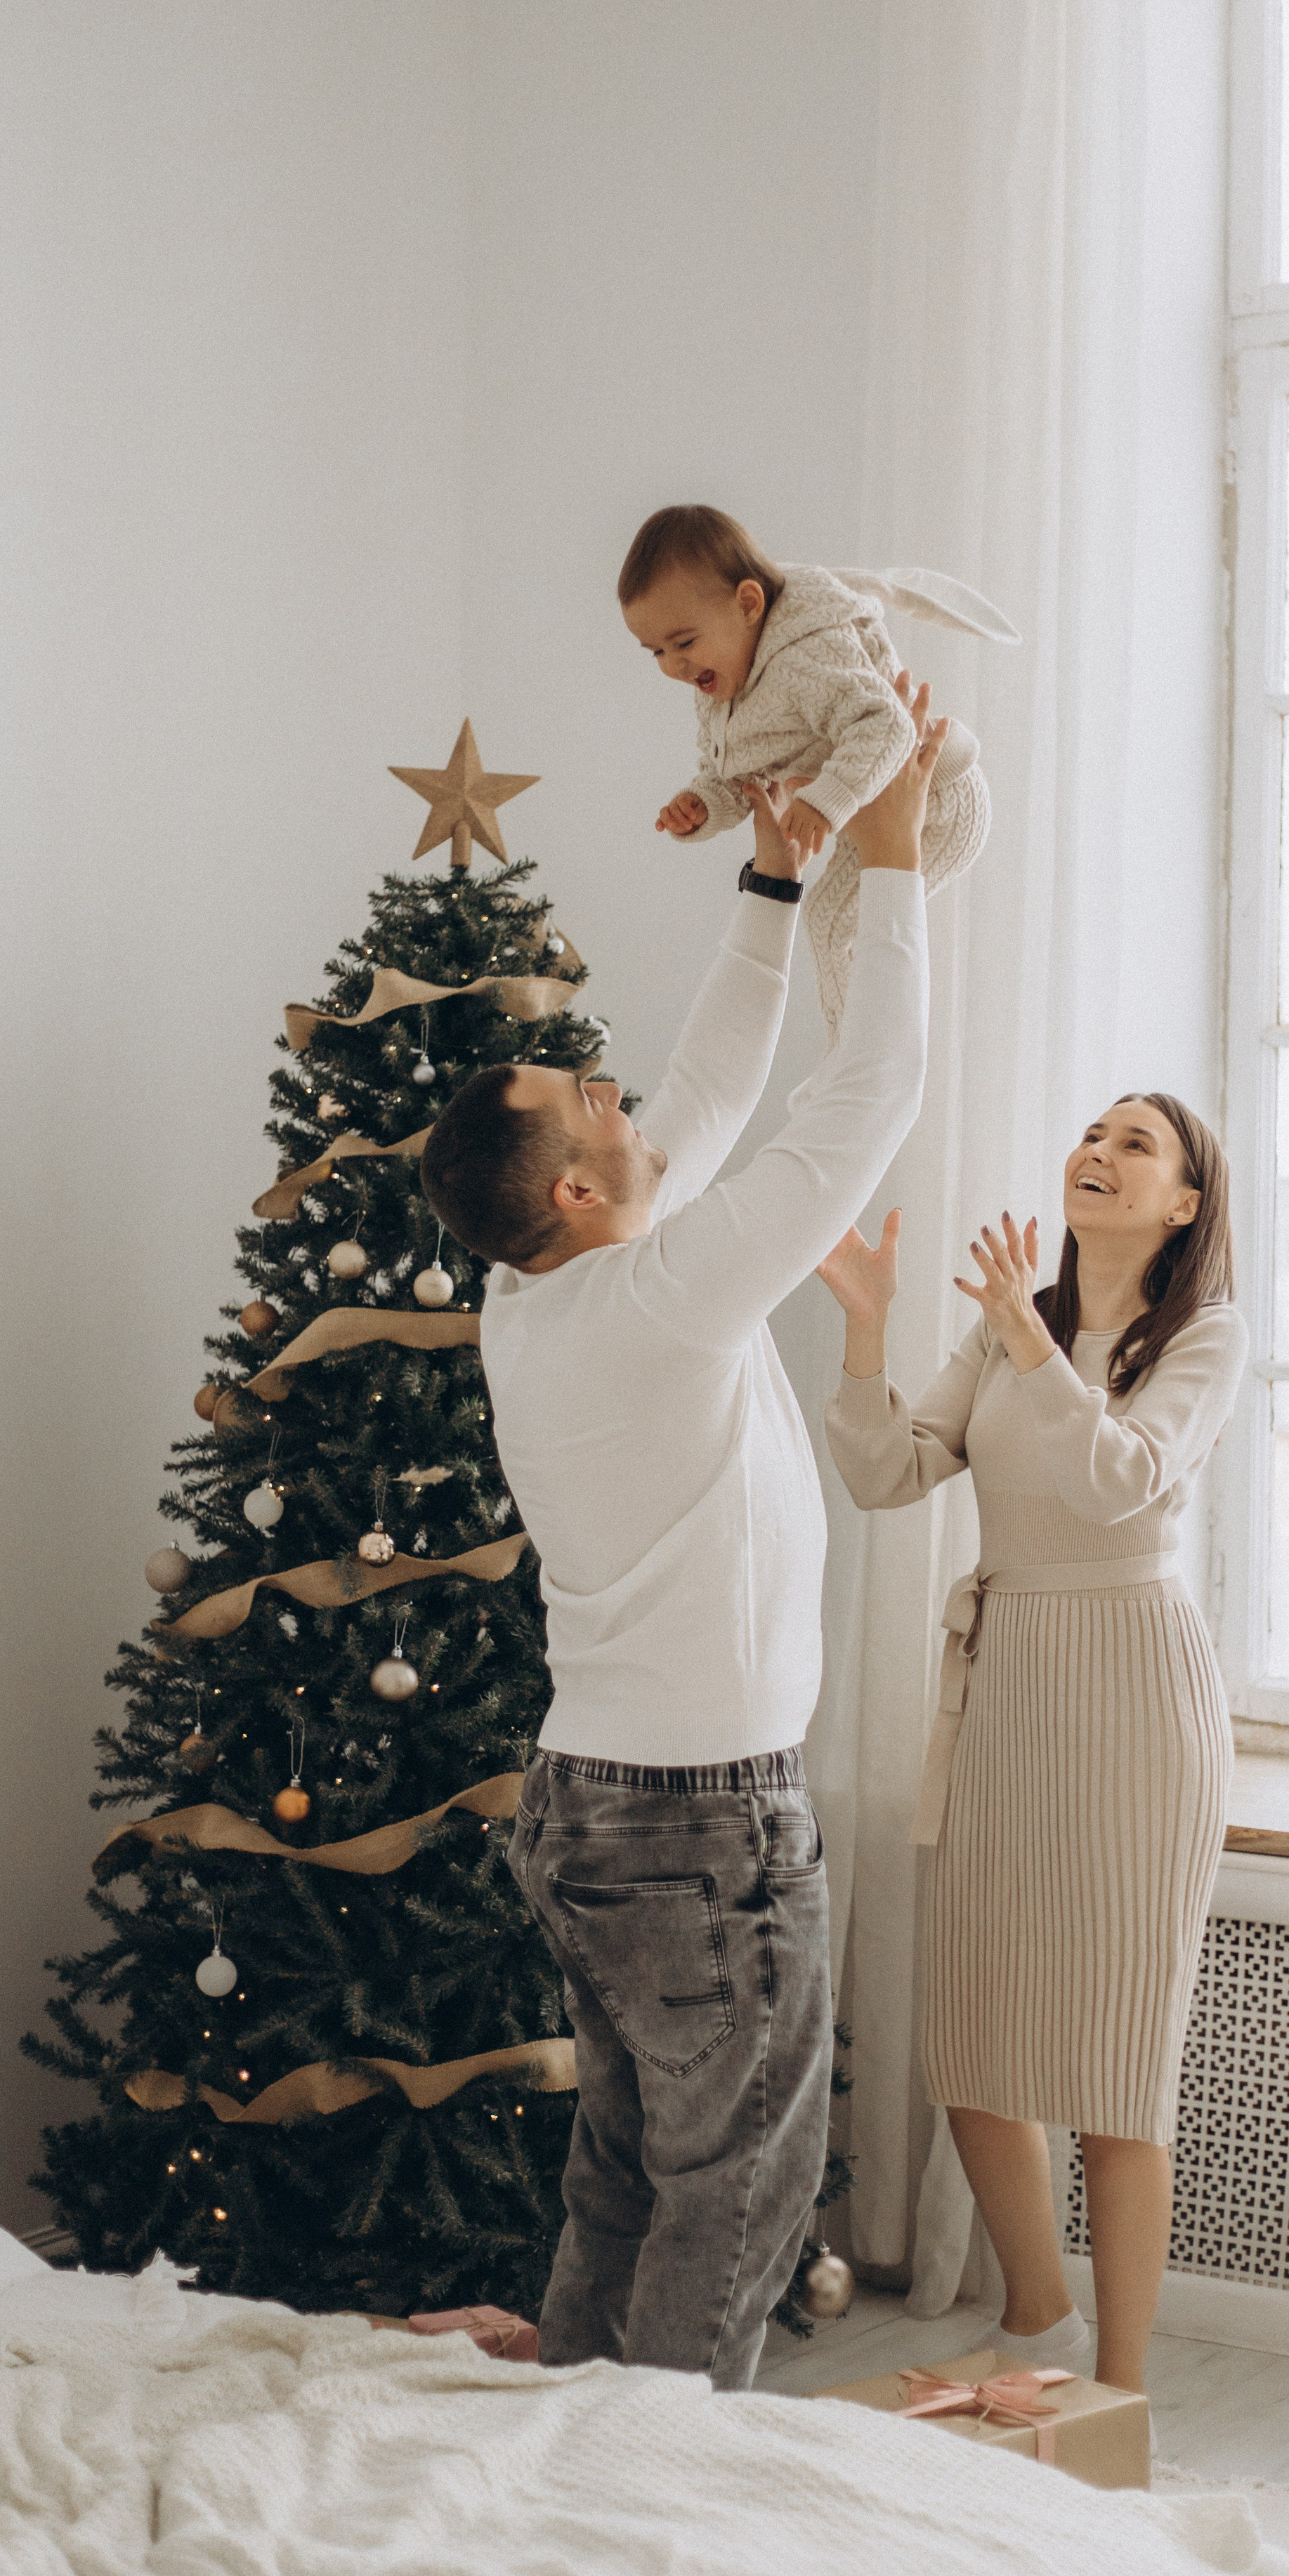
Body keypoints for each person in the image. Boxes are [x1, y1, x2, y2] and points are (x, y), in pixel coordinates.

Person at [419, 685, 945, 2390]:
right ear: (577, 1189)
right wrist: (893, 857)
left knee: (629, 2176)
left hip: (590, 1805)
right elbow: (869, 1092)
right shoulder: (657, 1298)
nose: (605, 1083)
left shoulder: (539, 1293)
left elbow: (712, 1088)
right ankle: (657, 2516)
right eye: (581, 1099)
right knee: (736, 2196)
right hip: (698, 1825)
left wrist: (774, 882)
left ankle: (574, 2478)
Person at [819, 1096, 1247, 2407]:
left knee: (1117, 2071)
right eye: (1092, 1133)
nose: (1098, 1154)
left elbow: (1120, 1479)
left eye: (1137, 1145)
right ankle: (1038, 2324)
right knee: (979, 2052)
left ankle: (1118, 2400)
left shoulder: (1206, 1337)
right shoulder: (1016, 1322)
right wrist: (867, 1330)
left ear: (1185, 1203)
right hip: (1007, 1695)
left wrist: (1027, 1341)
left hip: (1136, 1697)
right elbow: (892, 1474)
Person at [617, 501, 1014, 1038]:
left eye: (684, 642)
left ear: (749, 604)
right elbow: (740, 776)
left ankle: (856, 1065)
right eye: (655, 651)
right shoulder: (721, 682)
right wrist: (704, 804)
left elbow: (887, 724)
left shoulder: (808, 653)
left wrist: (825, 799)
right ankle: (851, 1060)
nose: (673, 666)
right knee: (832, 926)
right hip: (866, 810)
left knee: (833, 925)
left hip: (937, 803)